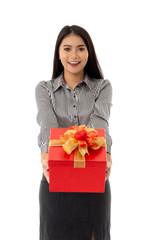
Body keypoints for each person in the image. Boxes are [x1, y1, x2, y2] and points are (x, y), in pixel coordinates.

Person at [35, 25, 113, 240]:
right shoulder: (45, 89)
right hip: (55, 179)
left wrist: (105, 154)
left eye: (81, 48)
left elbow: (100, 124)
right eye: (67, 49)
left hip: (93, 180)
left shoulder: (102, 87)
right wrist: (45, 155)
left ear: (89, 52)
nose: (74, 55)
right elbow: (48, 125)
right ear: (58, 53)